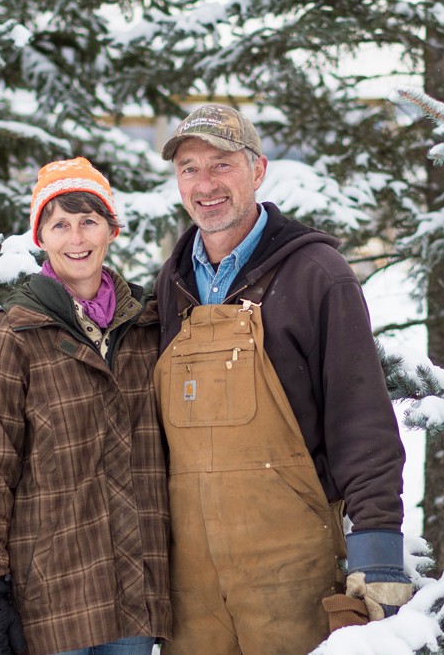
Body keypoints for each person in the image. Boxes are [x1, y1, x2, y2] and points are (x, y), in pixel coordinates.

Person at [153, 104, 411, 654]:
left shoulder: (317, 275)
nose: (205, 184)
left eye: (221, 164)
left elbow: (360, 416)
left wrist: (378, 551)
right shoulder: (170, 285)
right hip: (191, 588)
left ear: (258, 170)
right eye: (189, 168)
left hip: (291, 576)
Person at [0, 157, 170, 655]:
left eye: (89, 221)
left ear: (111, 230)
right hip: (52, 601)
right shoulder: (9, 336)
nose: (77, 238)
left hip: (136, 597)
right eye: (61, 224)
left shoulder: (147, 327)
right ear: (41, 238)